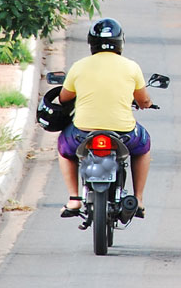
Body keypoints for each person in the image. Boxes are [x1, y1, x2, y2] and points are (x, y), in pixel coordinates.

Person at [57, 18, 153, 218]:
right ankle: (139, 199)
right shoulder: (131, 67)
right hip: (124, 134)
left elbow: (63, 98)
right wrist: (146, 104)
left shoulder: (79, 66)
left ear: (91, 42)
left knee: (63, 147)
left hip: (82, 134)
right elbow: (143, 100)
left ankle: (74, 199)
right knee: (143, 146)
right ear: (121, 42)